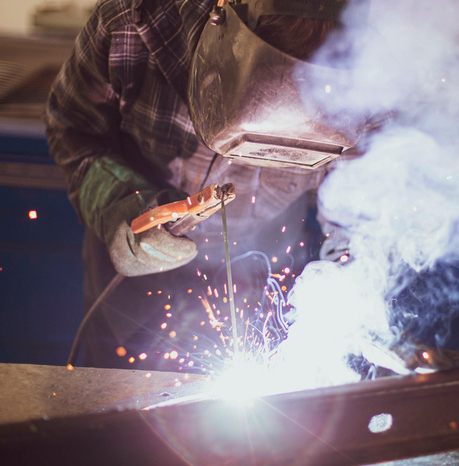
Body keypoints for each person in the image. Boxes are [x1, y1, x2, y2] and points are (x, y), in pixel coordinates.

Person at [44, 0, 361, 372]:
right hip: (133, 295)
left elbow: (362, 199)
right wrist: (119, 205)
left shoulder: (365, 72)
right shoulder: (130, 24)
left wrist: (349, 287)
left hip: (265, 289)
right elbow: (74, 130)